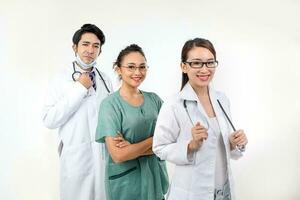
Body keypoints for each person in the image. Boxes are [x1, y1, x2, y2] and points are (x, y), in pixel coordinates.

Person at [153, 38, 248, 200]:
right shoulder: (173, 104)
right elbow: (159, 147)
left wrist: (234, 143)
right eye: (197, 63)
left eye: (210, 62)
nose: (205, 69)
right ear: (184, 66)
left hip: (223, 192)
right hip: (192, 193)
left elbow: (222, 149)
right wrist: (190, 145)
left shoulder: (222, 100)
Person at [42, 24, 113, 200]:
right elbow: (49, 119)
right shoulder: (60, 79)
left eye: (96, 46)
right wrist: (80, 88)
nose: (90, 50)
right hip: (76, 158)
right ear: (75, 47)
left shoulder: (105, 79)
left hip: (103, 158)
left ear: (100, 51)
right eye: (85, 44)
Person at [96, 44, 169, 200]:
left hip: (155, 183)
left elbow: (174, 140)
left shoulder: (154, 100)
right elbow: (118, 155)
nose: (138, 72)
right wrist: (155, 142)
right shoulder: (110, 105)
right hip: (127, 186)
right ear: (118, 69)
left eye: (142, 67)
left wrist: (133, 148)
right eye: (131, 67)